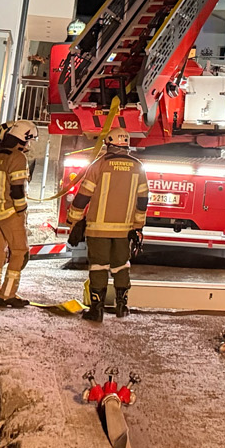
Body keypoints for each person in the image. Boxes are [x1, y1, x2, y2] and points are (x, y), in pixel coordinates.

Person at [66, 123, 148, 321]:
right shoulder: (138, 167)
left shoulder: (99, 164)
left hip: (98, 229)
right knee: (122, 266)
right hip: (124, 230)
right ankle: (122, 306)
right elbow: (143, 200)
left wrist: (73, 219)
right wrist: (138, 227)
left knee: (98, 266)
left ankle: (97, 310)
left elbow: (83, 196)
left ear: (108, 144)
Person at [0, 119, 38, 309]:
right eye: (29, 140)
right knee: (20, 252)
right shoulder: (17, 157)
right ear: (24, 138)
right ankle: (7, 295)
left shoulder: (0, 156)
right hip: (10, 212)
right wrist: (21, 210)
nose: (29, 145)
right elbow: (17, 189)